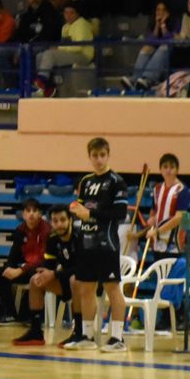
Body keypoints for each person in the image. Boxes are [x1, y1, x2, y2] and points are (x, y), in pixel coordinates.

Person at [67, 137, 128, 353]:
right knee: (85, 288)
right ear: (89, 157)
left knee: (112, 288)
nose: (99, 160)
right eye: (95, 156)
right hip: (86, 243)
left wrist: (90, 214)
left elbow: (120, 213)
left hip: (106, 244)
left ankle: (117, 338)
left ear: (108, 155)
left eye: (102, 155)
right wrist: (76, 209)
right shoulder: (86, 181)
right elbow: (80, 207)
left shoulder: (116, 182)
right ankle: (88, 336)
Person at [13, 205, 77, 347]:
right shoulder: (52, 238)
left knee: (75, 279)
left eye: (63, 220)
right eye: (55, 221)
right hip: (64, 281)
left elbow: (82, 268)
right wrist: (45, 272)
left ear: (70, 220)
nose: (59, 224)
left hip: (87, 285)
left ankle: (78, 332)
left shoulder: (79, 237)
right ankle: (36, 331)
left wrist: (54, 273)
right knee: (35, 280)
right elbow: (49, 263)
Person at [0, 198, 50, 325]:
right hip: (25, 269)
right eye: (28, 211)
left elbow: (42, 259)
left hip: (42, 269)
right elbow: (14, 254)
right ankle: (10, 313)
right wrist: (8, 267)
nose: (31, 214)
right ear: (23, 214)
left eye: (35, 211)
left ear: (40, 214)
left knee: (35, 274)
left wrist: (21, 270)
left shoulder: (46, 230)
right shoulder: (20, 230)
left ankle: (30, 315)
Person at [142, 152, 189, 258]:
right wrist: (151, 219)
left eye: (172, 167)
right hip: (157, 243)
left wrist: (157, 232)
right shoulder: (157, 189)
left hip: (174, 244)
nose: (168, 170)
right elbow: (154, 212)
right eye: (165, 167)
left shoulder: (182, 190)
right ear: (160, 169)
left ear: (177, 170)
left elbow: (179, 218)